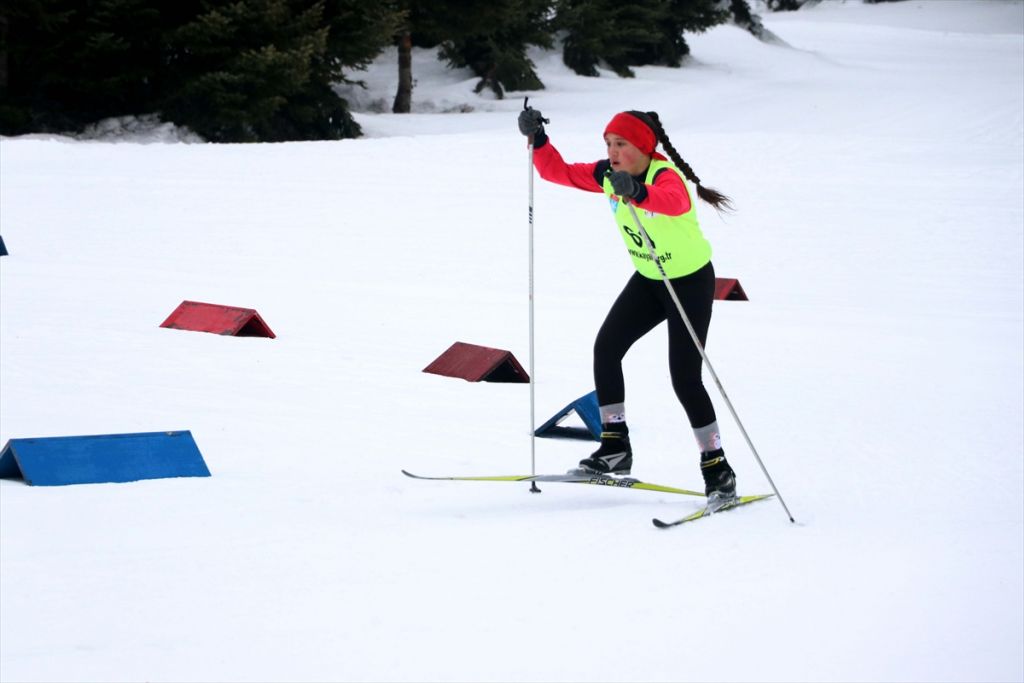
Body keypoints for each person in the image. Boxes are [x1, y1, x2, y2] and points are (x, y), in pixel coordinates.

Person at [517, 105, 738, 502]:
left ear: (645, 148)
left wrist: (637, 192)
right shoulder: (607, 174)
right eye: (608, 144)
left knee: (685, 378)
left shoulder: (665, 176)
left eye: (621, 144)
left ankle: (717, 468)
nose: (613, 151)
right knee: (607, 348)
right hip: (650, 280)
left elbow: (673, 203)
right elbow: (557, 172)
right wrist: (539, 142)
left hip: (687, 283)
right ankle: (616, 448)